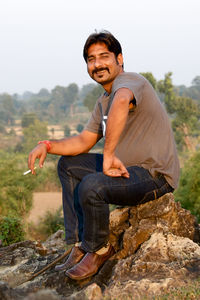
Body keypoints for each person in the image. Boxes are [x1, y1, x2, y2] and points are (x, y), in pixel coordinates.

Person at [28, 31, 180, 280]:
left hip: (154, 175)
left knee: (92, 184)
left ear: (119, 59)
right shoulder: (103, 101)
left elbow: (122, 102)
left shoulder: (130, 82)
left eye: (104, 57)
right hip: (127, 171)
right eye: (91, 59)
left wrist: (108, 155)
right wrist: (46, 145)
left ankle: (100, 248)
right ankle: (82, 243)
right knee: (69, 166)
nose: (97, 64)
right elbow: (83, 141)